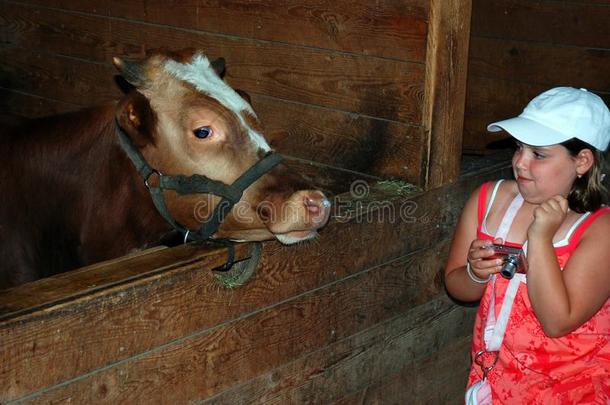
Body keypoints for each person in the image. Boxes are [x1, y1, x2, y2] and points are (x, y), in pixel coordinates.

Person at [444, 87, 610, 404]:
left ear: (583, 161)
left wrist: (540, 239)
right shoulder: (488, 200)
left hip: (573, 390)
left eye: (539, 154)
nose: (520, 162)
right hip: (497, 383)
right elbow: (456, 285)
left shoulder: (600, 228)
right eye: (519, 148)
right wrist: (476, 274)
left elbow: (557, 320)